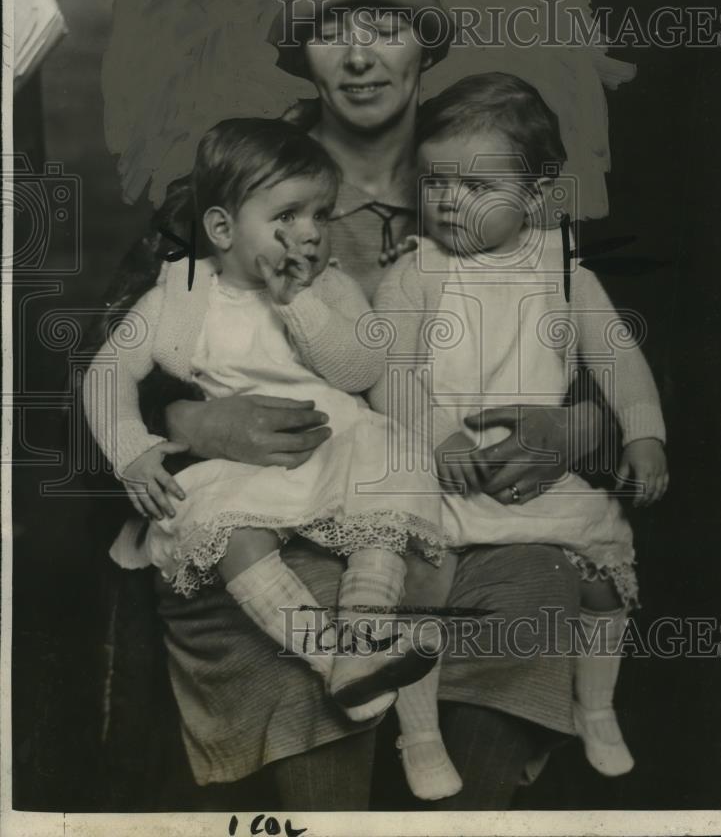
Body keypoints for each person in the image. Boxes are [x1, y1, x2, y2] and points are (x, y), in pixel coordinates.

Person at [105, 0, 615, 809]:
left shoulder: (488, 167)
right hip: (273, 509)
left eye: (386, 28)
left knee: (534, 588)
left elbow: (589, 349)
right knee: (301, 647)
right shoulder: (234, 185)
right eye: (329, 30)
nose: (357, 56)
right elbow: (121, 356)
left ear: (426, 42)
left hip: (457, 506)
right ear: (297, 48)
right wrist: (187, 417)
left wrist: (577, 430)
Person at [85, 117, 448, 722]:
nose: (307, 234)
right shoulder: (181, 293)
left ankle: (363, 638)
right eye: (287, 215)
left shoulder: (328, 287)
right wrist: (132, 446)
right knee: (232, 534)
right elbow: (107, 370)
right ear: (223, 228)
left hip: (338, 448)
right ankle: (334, 662)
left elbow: (359, 369)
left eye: (320, 216)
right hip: (246, 466)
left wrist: (298, 303)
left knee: (387, 485)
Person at [370, 72, 668, 799]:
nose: (446, 200)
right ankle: (420, 733)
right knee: (419, 582)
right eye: (434, 181)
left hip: (533, 477)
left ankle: (593, 705)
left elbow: (617, 359)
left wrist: (644, 436)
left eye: (474, 187)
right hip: (438, 476)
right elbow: (390, 375)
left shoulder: (564, 272)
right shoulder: (414, 273)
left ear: (534, 196)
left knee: (604, 574)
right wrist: (438, 437)